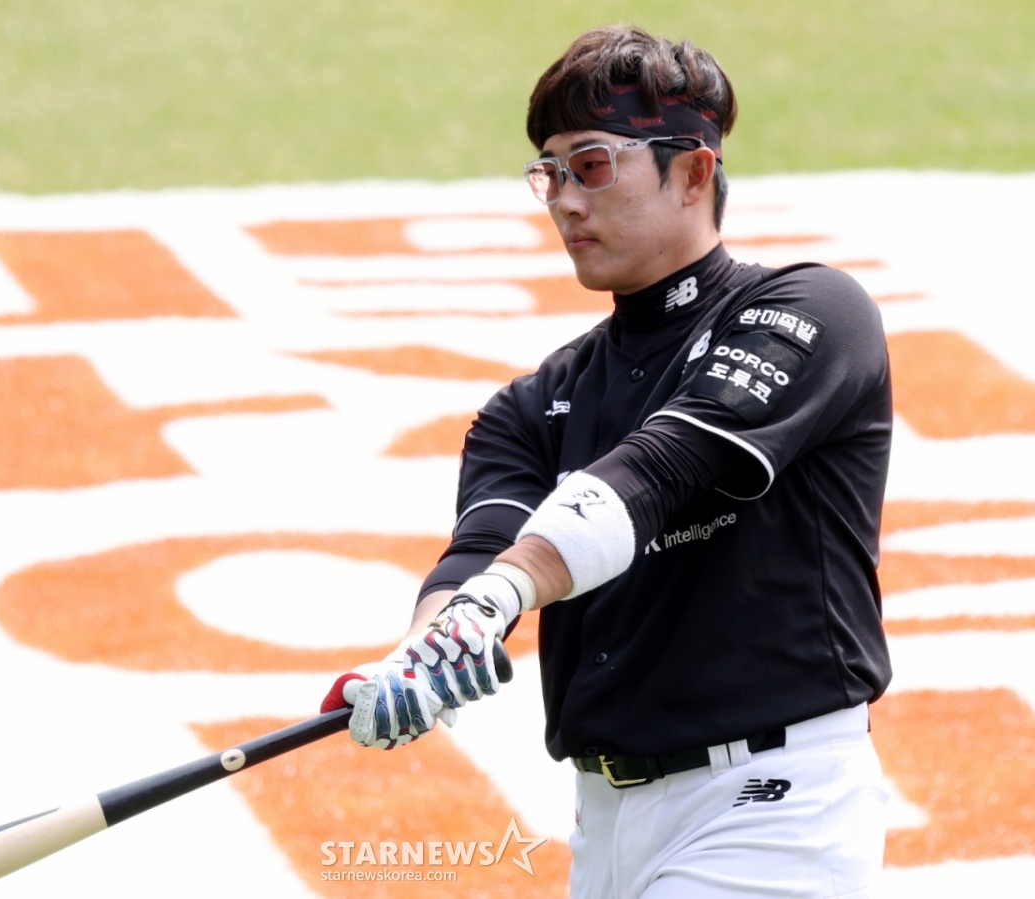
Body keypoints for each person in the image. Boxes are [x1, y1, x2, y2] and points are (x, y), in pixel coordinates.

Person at [322, 24, 892, 899]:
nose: (562, 200)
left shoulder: (812, 311)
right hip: (604, 820)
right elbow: (480, 552)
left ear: (694, 170)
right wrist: (427, 646)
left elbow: (658, 473)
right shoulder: (529, 405)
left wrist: (498, 596)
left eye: (590, 165)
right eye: (548, 173)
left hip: (776, 809)